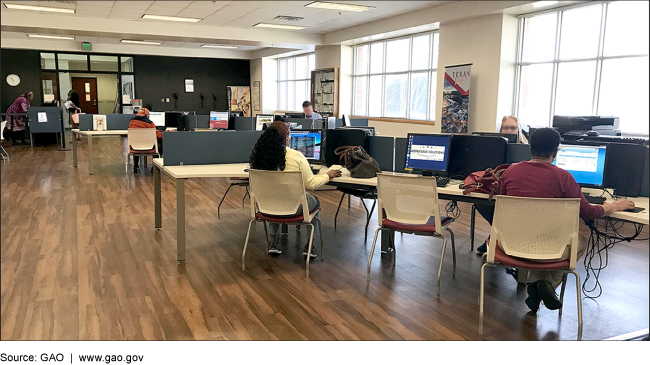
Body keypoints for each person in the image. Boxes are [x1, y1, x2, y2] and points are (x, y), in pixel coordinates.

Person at [486, 128, 635, 311]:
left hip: (509, 245)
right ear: (556, 152)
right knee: (579, 241)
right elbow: (588, 212)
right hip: (549, 249)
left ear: (530, 148)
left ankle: (537, 286)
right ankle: (540, 284)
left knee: (542, 238)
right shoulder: (564, 177)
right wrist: (612, 206)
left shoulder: (510, 172)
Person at [249, 121, 341, 258]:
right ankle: (310, 245)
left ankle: (273, 242)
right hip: (294, 207)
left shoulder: (258, 157)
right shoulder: (296, 156)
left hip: (265, 206)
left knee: (275, 195)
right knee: (315, 201)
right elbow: (311, 184)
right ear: (287, 135)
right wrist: (327, 175)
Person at [128, 107, 163, 173]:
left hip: (134, 147)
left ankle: (136, 166)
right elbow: (158, 135)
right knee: (159, 145)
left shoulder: (131, 122)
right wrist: (167, 132)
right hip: (149, 147)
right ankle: (155, 167)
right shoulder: (150, 123)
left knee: (137, 142)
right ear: (147, 116)